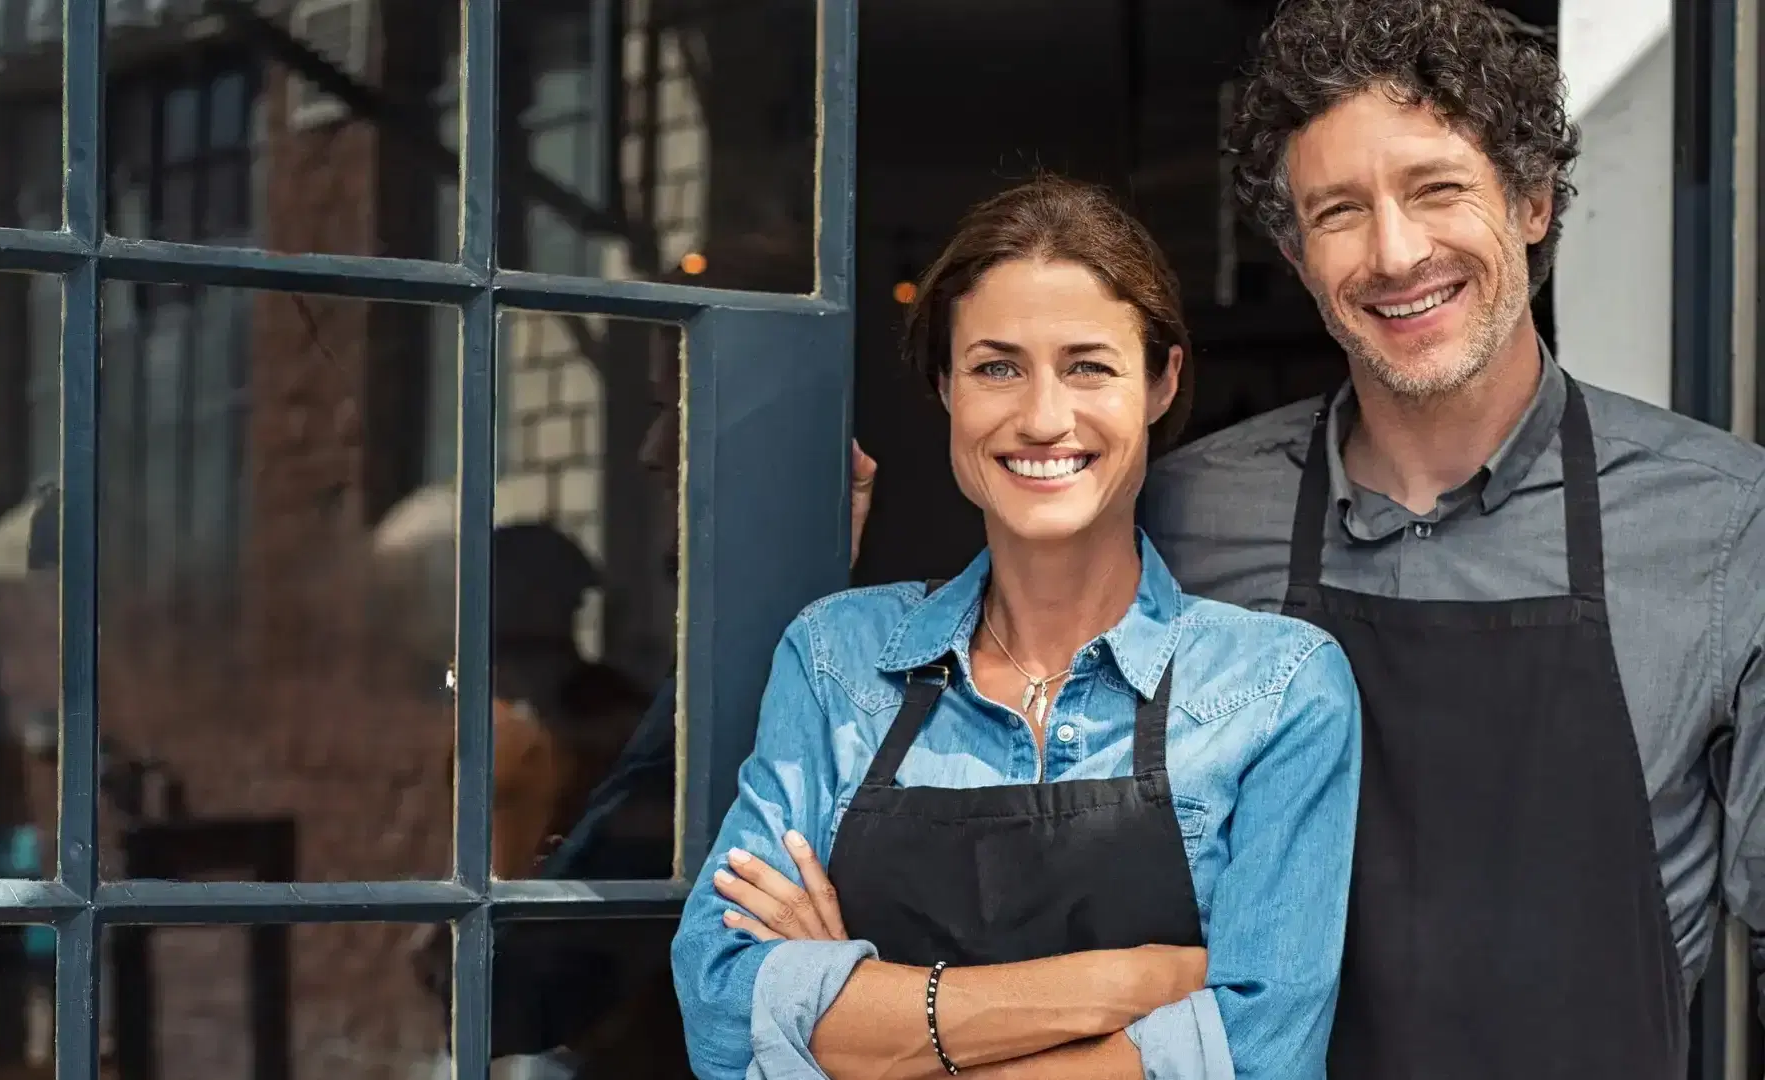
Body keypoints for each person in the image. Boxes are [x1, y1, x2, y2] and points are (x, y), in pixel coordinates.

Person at [1136, 1, 1765, 1076]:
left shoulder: (1720, 524)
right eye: (1338, 210)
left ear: (1531, 199)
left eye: (1437, 188)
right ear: (1295, 253)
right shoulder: (1187, 516)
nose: (1395, 252)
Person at [671, 175, 1362, 1080]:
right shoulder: (838, 659)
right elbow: (723, 1009)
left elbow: (1262, 1056)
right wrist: (1123, 987)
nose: (1042, 417)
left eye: (1089, 366)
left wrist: (859, 1029)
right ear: (946, 389)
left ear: (1161, 382)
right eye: (997, 367)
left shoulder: (1276, 689)